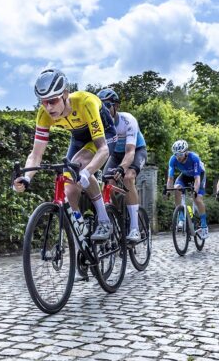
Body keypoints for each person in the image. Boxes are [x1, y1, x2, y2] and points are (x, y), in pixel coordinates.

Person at [13, 69, 117, 243]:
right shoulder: (43, 114)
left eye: (53, 101)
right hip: (79, 138)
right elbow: (36, 154)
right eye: (43, 102)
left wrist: (87, 172)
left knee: (79, 164)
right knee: (69, 187)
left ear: (65, 95)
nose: (48, 107)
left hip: (104, 137)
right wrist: (26, 177)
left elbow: (103, 149)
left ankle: (104, 220)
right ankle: (80, 233)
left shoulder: (86, 102)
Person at [97, 88, 147, 242]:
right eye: (100, 107)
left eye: (107, 106)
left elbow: (130, 151)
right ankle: (116, 214)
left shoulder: (128, 120)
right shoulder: (99, 124)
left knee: (128, 178)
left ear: (116, 106)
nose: (103, 110)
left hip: (136, 150)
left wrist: (122, 167)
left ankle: (134, 228)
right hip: (116, 154)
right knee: (107, 183)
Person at [165, 140, 209, 239]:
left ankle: (204, 225)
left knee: (197, 199)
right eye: (176, 154)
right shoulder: (173, 159)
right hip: (185, 176)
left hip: (199, 176)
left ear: (186, 152)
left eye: (180, 154)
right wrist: (168, 191)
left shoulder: (194, 158)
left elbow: (197, 178)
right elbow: (170, 178)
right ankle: (181, 217)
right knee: (176, 188)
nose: (178, 157)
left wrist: (195, 191)